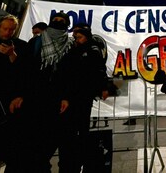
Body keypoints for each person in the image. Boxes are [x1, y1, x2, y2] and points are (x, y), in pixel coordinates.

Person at [0, 15, 32, 172]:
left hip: (10, 97)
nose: (8, 32)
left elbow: (25, 72)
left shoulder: (21, 46)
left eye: (11, 29)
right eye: (5, 28)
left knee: (7, 138)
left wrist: (12, 55)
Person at [54, 22, 109, 172]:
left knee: (80, 129)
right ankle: (70, 161)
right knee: (69, 132)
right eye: (75, 36)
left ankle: (78, 160)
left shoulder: (92, 50)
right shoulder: (73, 50)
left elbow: (99, 70)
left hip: (83, 97)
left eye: (79, 37)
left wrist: (103, 87)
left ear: (86, 37)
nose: (76, 39)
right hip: (71, 96)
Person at [25, 11, 74, 172]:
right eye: (55, 20)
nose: (58, 22)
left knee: (55, 139)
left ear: (67, 25)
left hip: (59, 100)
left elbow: (71, 73)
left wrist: (66, 96)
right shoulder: (37, 42)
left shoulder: (71, 44)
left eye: (62, 20)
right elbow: (27, 69)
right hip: (37, 97)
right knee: (37, 143)